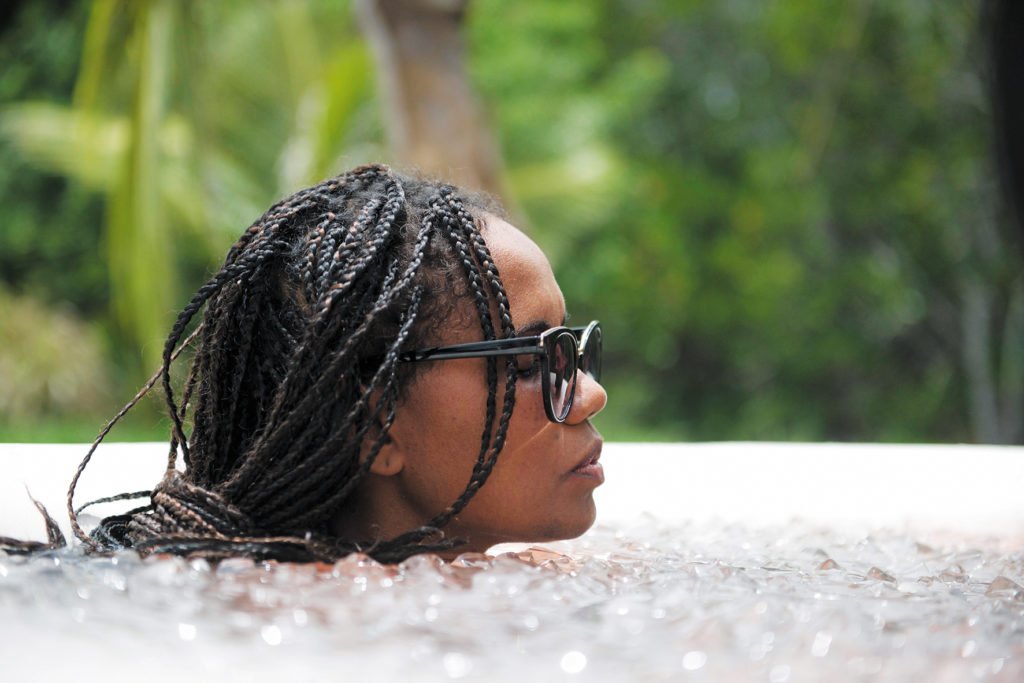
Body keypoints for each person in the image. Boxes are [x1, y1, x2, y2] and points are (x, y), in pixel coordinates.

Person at [60, 164, 608, 564]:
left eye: (571, 350)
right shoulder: (303, 619)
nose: (590, 395)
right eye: (530, 362)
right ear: (374, 423)